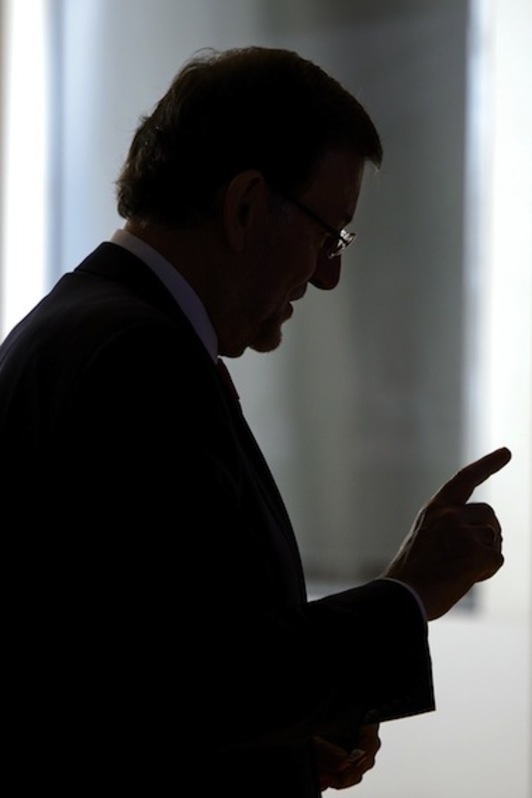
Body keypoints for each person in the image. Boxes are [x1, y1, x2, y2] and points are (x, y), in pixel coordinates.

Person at [0, 46, 510, 796]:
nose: (329, 274)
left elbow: (135, 676)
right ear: (244, 205)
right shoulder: (138, 359)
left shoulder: (82, 329)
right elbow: (199, 684)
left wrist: (293, 741)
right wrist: (411, 592)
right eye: (328, 235)